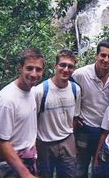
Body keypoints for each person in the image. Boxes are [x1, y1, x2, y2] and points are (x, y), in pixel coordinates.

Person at [0, 47, 45, 178]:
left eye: (38, 69)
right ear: (20, 68)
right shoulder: (7, 100)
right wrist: (25, 174)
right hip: (6, 163)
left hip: (27, 158)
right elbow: (2, 142)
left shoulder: (31, 91)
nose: (34, 73)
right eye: (29, 68)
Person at [72, 40, 109, 178]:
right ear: (96, 55)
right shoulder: (80, 74)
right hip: (85, 129)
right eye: (103, 55)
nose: (106, 60)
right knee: (80, 167)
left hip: (105, 131)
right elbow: (67, 92)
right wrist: (73, 115)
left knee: (99, 169)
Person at [35, 50, 81, 178]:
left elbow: (74, 118)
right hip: (45, 143)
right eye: (62, 65)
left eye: (70, 66)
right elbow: (32, 121)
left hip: (67, 141)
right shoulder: (40, 91)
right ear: (55, 66)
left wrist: (73, 142)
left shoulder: (75, 89)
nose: (66, 69)